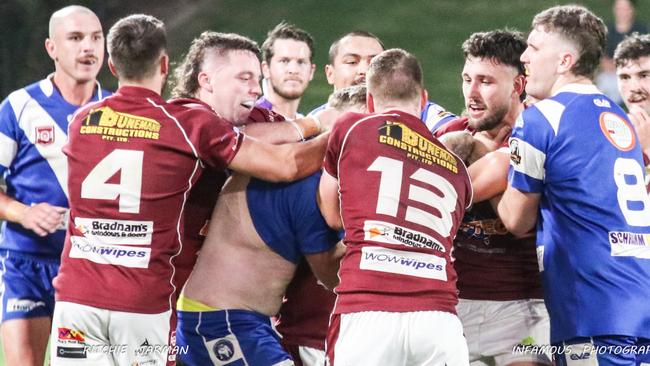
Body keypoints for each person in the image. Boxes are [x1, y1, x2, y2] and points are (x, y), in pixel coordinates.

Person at [50, 14, 329, 366]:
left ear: (111, 63)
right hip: (146, 301)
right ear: (165, 64)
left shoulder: (80, 120)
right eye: (245, 78)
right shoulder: (183, 125)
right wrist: (334, 126)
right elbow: (285, 165)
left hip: (77, 296)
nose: (256, 89)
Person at [498, 5, 650, 366]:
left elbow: (516, 220)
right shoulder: (619, 118)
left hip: (592, 315)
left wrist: (484, 169)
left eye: (534, 48)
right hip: (638, 305)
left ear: (564, 60)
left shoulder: (540, 120)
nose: (524, 57)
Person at [319, 48, 472, 366]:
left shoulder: (350, 127)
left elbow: (331, 214)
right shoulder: (457, 170)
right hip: (438, 317)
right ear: (424, 98)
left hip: (367, 310)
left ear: (370, 102)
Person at [0, 5, 109, 366]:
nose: (88, 48)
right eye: (75, 39)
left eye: (96, 38)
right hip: (24, 265)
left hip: (86, 269)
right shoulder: (19, 107)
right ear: (51, 48)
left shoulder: (117, 111)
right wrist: (23, 212)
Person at [435, 29, 550, 366]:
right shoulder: (449, 133)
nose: (471, 92)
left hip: (526, 305)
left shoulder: (540, 136)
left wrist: (483, 156)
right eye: (467, 78)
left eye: (485, 81)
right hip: (455, 304)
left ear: (518, 86)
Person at [174, 155, 345, 366]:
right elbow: (331, 276)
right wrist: (370, 238)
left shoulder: (269, 159)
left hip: (224, 317)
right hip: (221, 321)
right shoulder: (308, 191)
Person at [257, 22, 315, 120]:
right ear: (266, 69)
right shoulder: (247, 120)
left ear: (311, 72)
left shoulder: (313, 129)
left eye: (301, 62)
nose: (294, 70)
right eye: (284, 61)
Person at [596, 0, 647, 105]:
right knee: (603, 88)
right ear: (614, 10)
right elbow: (600, 54)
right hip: (609, 75)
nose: (622, 12)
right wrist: (606, 64)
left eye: (625, 8)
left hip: (632, 74)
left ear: (632, 10)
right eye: (619, 8)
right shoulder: (607, 30)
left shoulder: (641, 30)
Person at [615, 32, 650, 168]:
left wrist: (647, 149)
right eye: (624, 77)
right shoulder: (609, 131)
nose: (633, 88)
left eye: (644, 75)